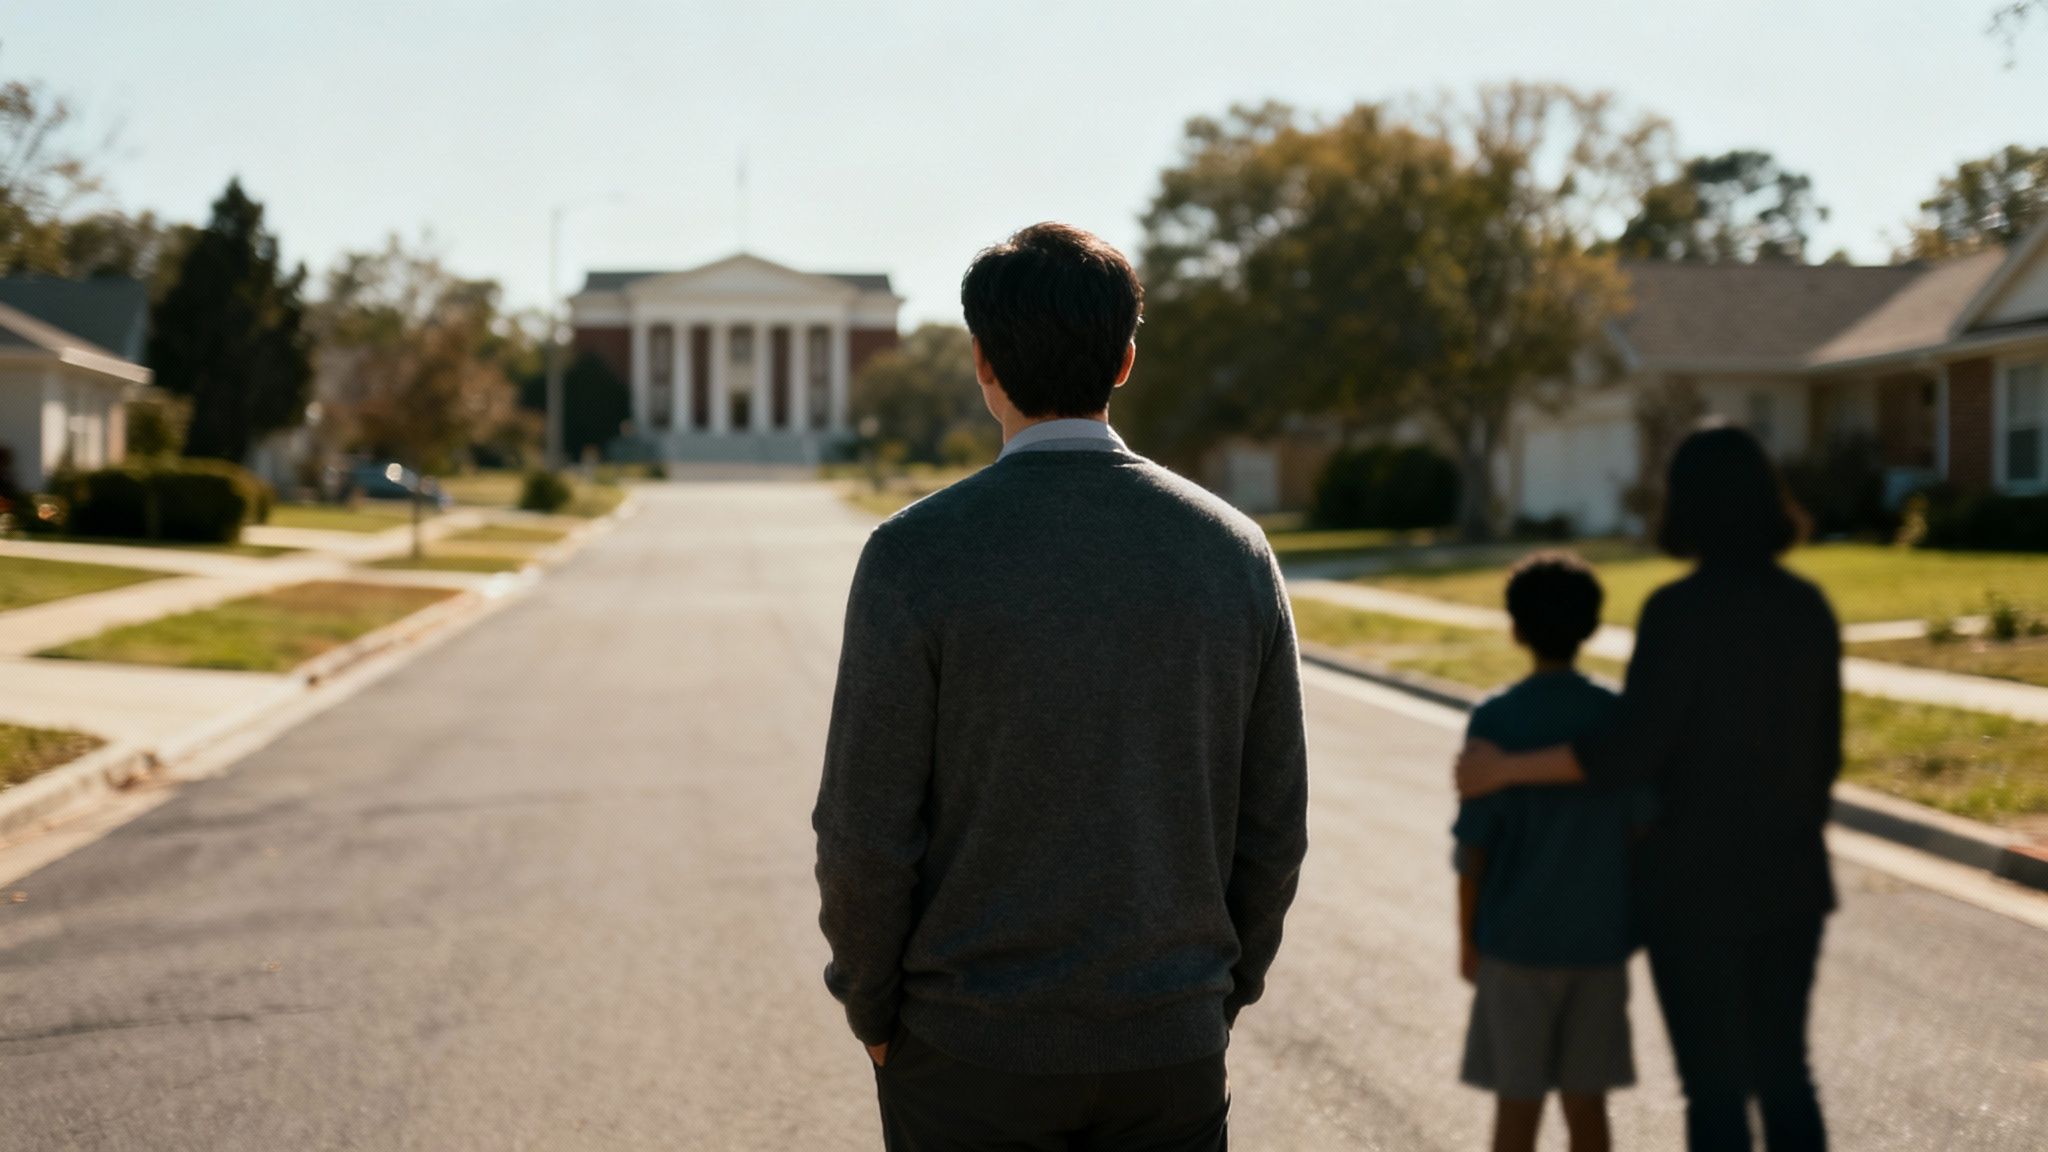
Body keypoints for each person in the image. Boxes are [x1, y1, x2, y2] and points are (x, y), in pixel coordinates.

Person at [812, 222, 1310, 1152]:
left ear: (981, 361)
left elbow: (863, 831)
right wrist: (1212, 996)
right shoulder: (1233, 552)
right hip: (1169, 1046)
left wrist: (871, 1007)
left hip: (964, 1053)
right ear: (1125, 359)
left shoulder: (913, 555)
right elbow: (1275, 822)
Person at [1457, 424, 1840, 1152]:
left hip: (1693, 890)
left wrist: (1505, 769)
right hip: (1791, 879)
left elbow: (1630, 752)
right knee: (1786, 1073)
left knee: (1716, 1088)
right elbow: (1826, 760)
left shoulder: (1678, 612)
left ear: (1684, 504)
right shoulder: (1807, 609)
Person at [1455, 552, 1647, 1152]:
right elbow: (1645, 832)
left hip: (1515, 946)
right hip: (1599, 945)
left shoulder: (1496, 719)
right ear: (1591, 626)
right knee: (1587, 1106)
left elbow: (1473, 849)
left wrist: (1468, 939)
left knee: (1518, 1107)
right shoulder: (1616, 714)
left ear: (1515, 629)